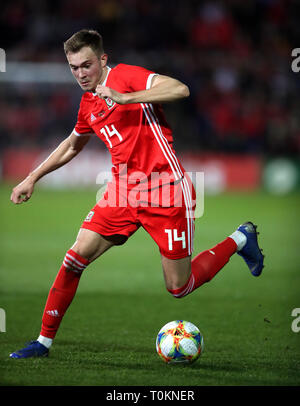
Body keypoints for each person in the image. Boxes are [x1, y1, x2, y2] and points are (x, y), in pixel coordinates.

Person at [9, 29, 264, 358]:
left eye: (86, 65)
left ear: (102, 60)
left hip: (166, 191)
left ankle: (241, 239)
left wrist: (128, 97)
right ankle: (43, 343)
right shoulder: (88, 104)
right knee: (73, 259)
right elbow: (73, 145)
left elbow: (180, 89)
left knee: (179, 287)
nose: (80, 74)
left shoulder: (126, 76)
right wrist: (32, 177)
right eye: (73, 68)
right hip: (122, 193)